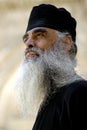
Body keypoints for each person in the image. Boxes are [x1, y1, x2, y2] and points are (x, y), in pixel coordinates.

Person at [14, 4, 87, 130]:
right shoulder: (50, 99)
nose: (28, 43)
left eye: (40, 35)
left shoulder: (79, 93)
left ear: (66, 42)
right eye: (26, 38)